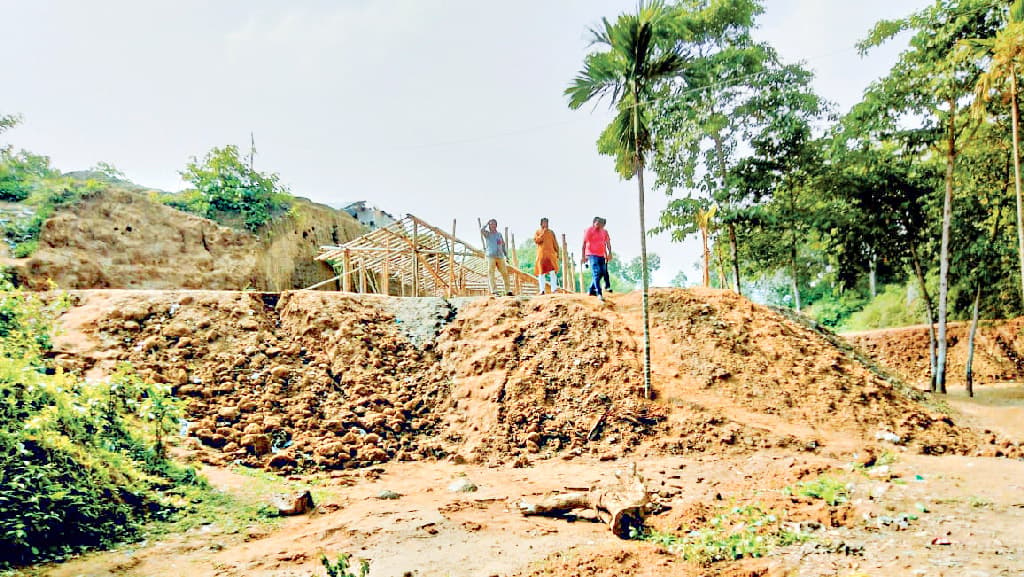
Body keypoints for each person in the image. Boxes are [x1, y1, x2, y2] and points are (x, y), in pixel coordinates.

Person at [581, 216, 612, 301]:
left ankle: (591, 290)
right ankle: (599, 293)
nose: (599, 226)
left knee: (602, 272)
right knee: (596, 272)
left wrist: (610, 253)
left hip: (601, 254)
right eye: (597, 223)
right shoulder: (589, 230)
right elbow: (584, 244)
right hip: (592, 254)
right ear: (594, 223)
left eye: (601, 224)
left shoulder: (604, 232)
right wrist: (583, 257)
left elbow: (608, 242)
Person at [481, 218, 513, 296]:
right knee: (491, 273)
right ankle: (494, 291)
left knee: (505, 273)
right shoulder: (487, 234)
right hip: (490, 256)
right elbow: (481, 230)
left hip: (500, 256)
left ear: (496, 225)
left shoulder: (499, 234)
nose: (492, 226)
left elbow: (503, 245)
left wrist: (506, 255)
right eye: (490, 224)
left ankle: (508, 290)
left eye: (493, 224)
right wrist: (486, 223)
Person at [533, 217, 560, 294]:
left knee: (553, 272)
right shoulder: (538, 232)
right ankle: (542, 290)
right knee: (541, 273)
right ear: (541, 224)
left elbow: (555, 243)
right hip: (541, 255)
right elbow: (537, 240)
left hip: (550, 255)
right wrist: (543, 233)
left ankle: (554, 289)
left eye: (547, 223)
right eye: (544, 223)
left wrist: (557, 252)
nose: (546, 224)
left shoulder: (551, 232)